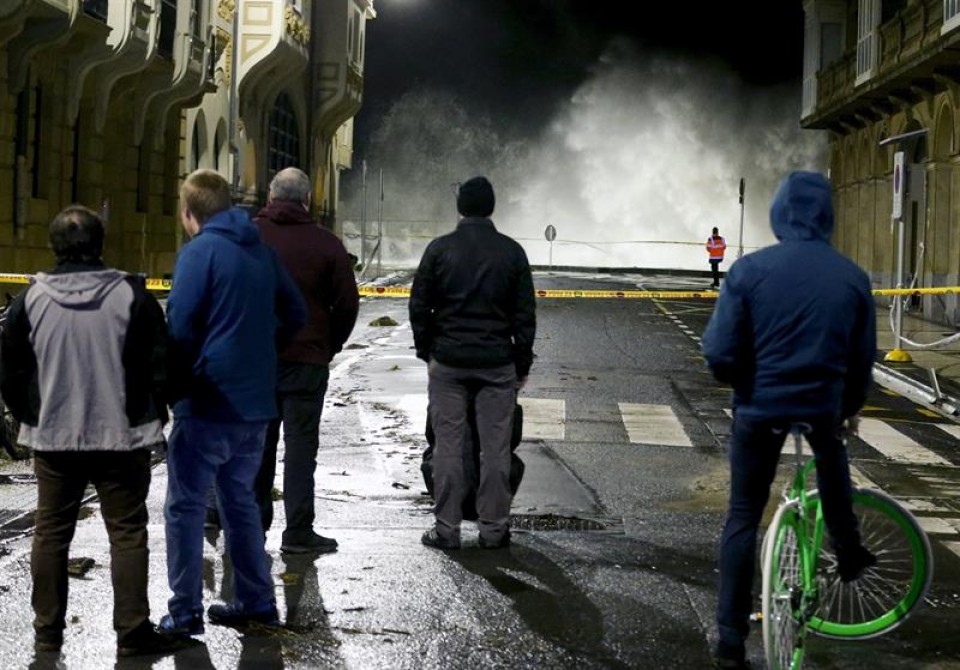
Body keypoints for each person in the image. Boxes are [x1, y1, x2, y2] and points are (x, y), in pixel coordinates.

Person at [701, 171, 877, 670]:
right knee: (831, 453)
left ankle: (729, 641)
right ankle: (847, 550)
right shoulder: (851, 276)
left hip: (760, 408)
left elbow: (718, 351)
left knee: (742, 516)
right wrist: (849, 407)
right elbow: (863, 361)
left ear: (778, 213)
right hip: (821, 404)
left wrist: (741, 383)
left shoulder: (749, 270)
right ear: (827, 215)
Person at [0, 205, 179, 657]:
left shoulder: (30, 301)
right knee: (127, 532)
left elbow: (9, 371)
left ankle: (47, 632)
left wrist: (31, 415)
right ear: (101, 244)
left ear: (53, 247)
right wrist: (157, 411)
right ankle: (133, 630)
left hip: (55, 439)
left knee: (51, 531)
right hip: (121, 438)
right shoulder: (131, 296)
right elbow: (161, 364)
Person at [159, 169, 307, 636]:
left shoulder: (197, 254)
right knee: (240, 501)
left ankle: (185, 612)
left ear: (189, 213)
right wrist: (260, 349)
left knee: (184, 507)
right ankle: (256, 601)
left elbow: (180, 329)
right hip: (257, 404)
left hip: (208, 401)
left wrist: (172, 386)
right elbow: (296, 313)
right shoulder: (261, 251)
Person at [409, 175, 536, 550]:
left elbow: (419, 305)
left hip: (448, 363)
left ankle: (446, 530)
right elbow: (524, 317)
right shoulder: (512, 252)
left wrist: (427, 349)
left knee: (447, 446)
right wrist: (521, 363)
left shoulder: (439, 249)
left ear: (460, 207)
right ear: (492, 207)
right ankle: (493, 530)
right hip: (496, 364)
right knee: (495, 449)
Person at [251, 166, 359, 554]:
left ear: (269, 196)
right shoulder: (327, 244)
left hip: (254, 364)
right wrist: (328, 345)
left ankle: (250, 529)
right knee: (300, 450)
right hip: (307, 361)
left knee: (256, 449)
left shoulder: (247, 238)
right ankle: (297, 531)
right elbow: (347, 304)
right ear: (308, 199)